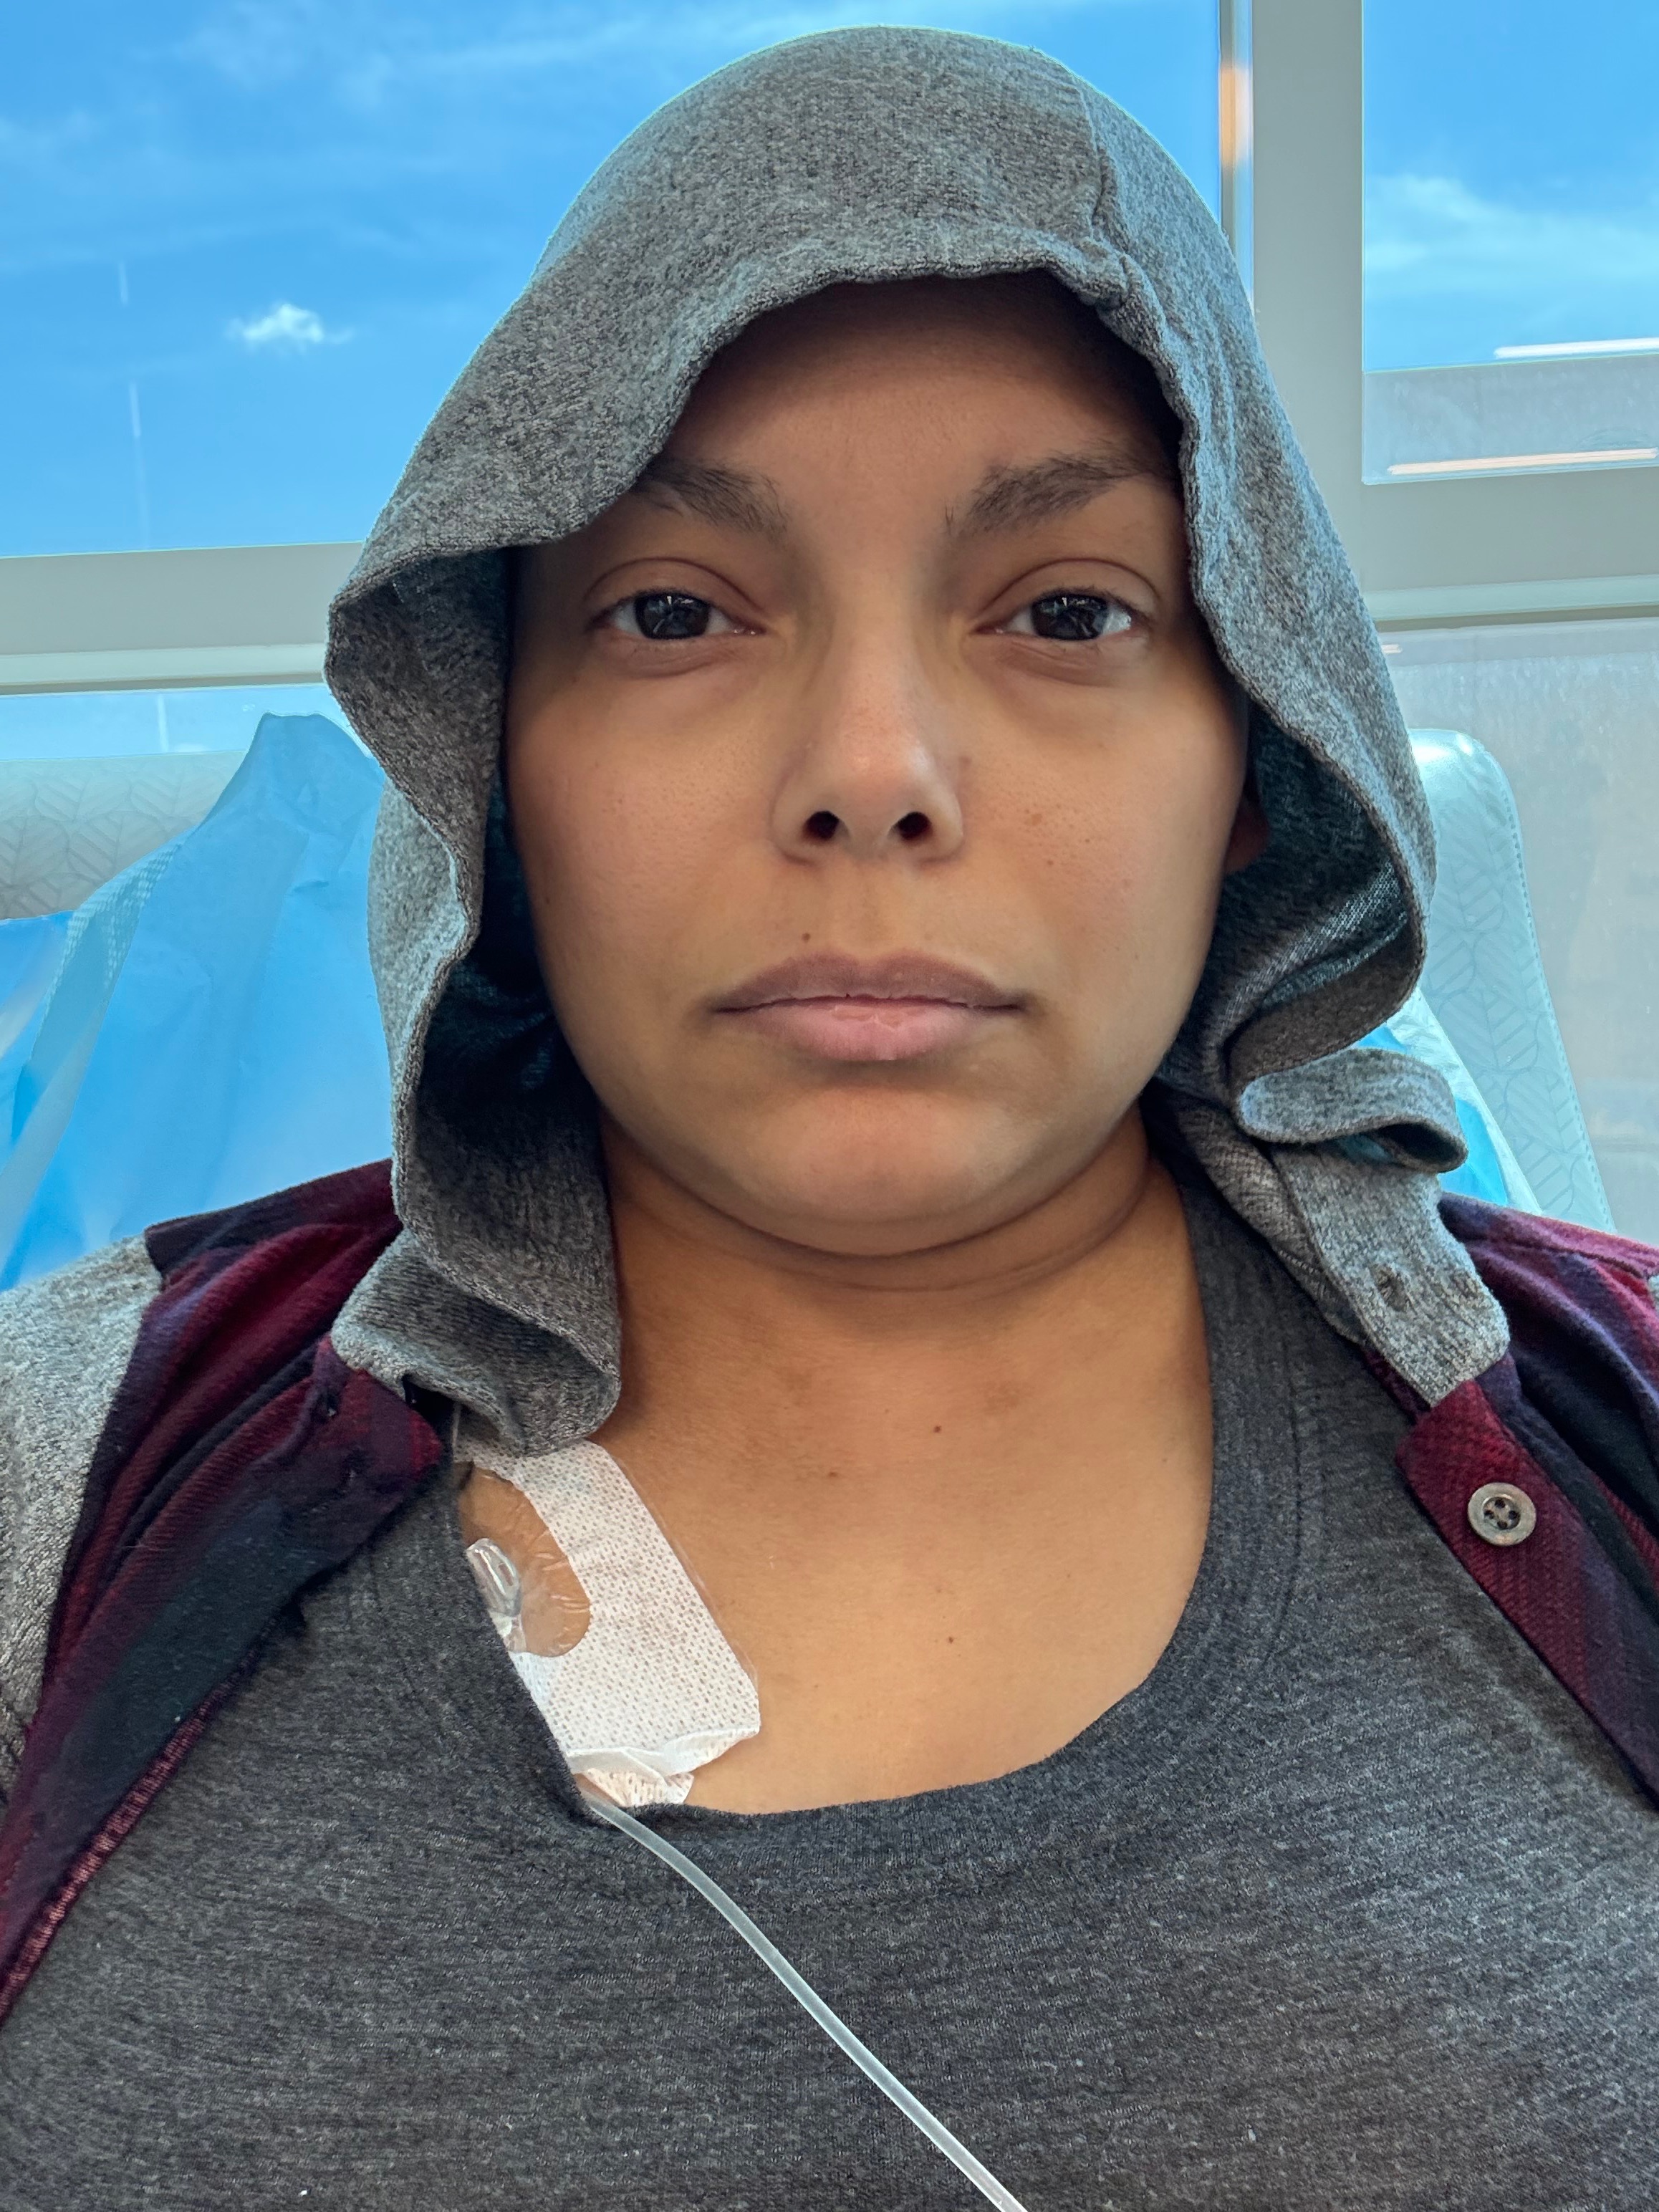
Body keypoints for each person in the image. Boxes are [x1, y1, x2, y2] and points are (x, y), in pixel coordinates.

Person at [2, 27, 1658, 2209]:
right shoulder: (60, 1468)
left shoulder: (1617, 1438)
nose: (870, 769)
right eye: (673, 613)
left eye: (1066, 611)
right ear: (495, 764)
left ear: (1256, 762)